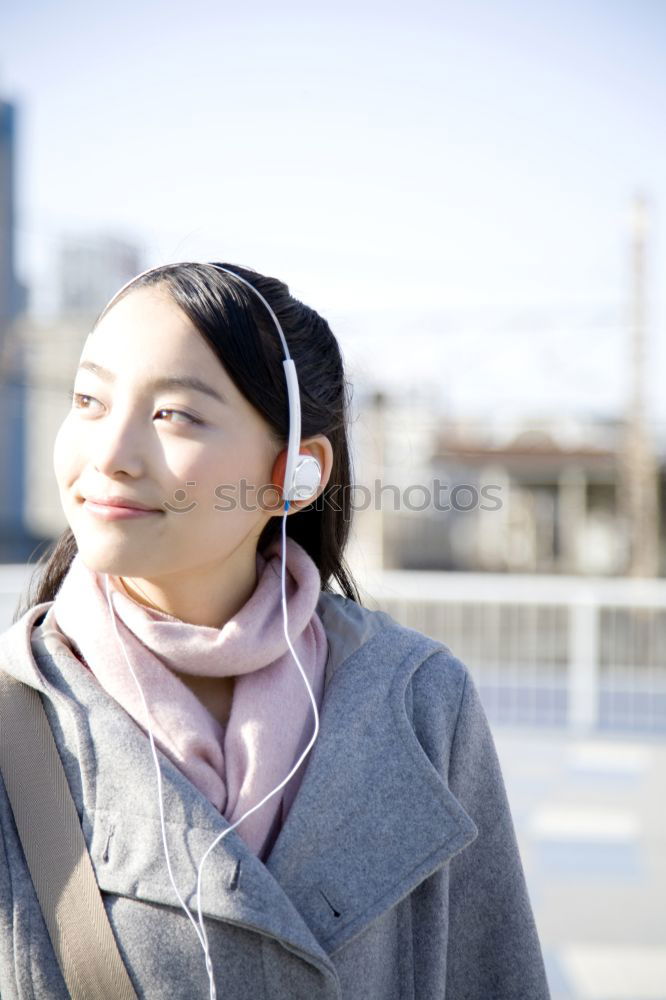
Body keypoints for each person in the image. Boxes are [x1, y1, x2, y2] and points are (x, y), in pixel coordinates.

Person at [0, 261, 551, 999]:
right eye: (89, 399)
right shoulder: (16, 717)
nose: (109, 455)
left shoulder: (419, 700)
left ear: (295, 473)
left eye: (175, 415)